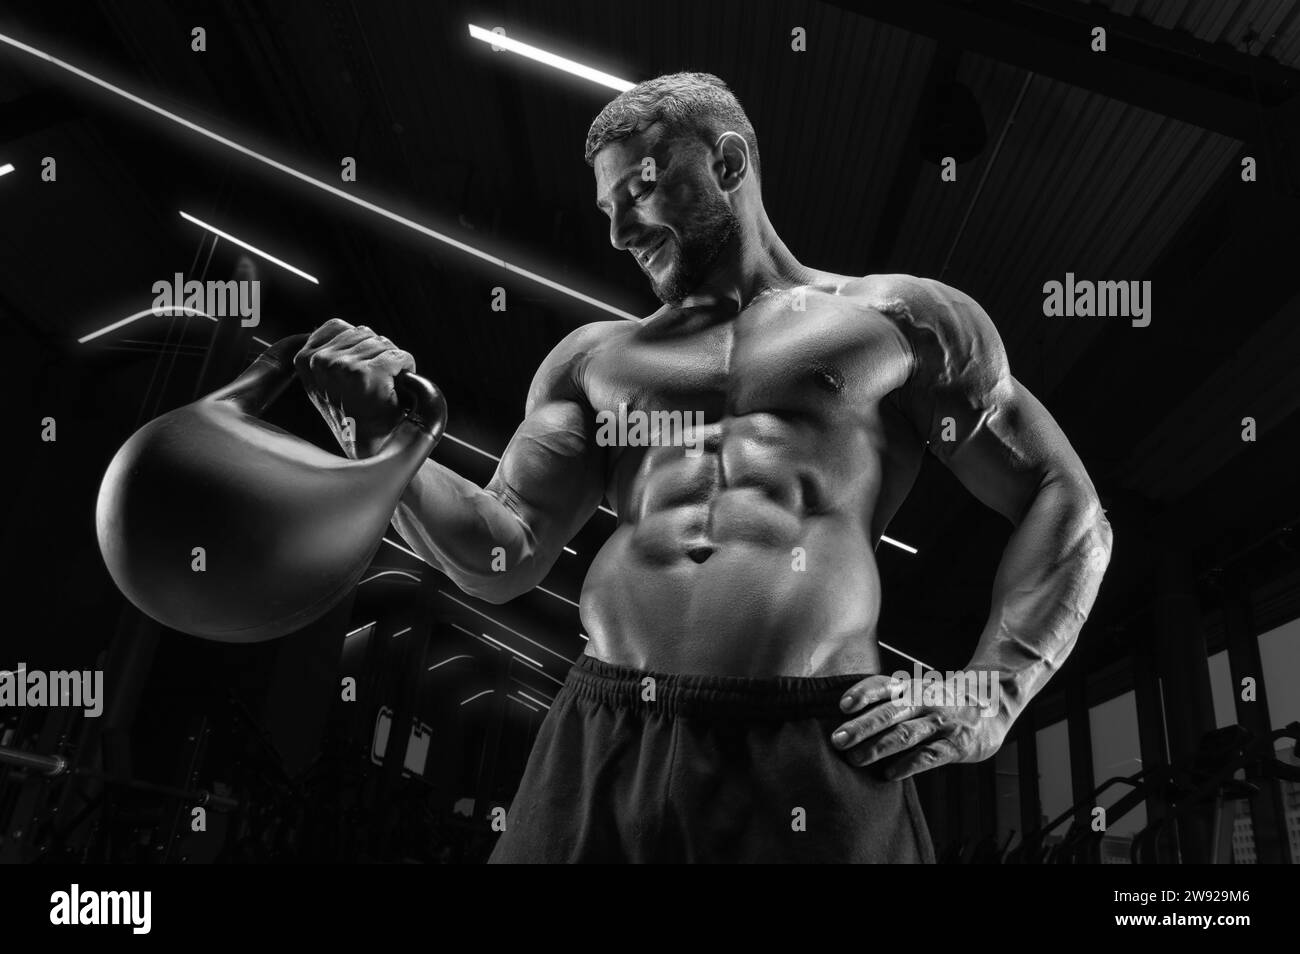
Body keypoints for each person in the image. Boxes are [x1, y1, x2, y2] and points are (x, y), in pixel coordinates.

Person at [293, 72, 1113, 863]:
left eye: (639, 191)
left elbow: (1063, 497)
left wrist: (992, 691)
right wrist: (386, 442)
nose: (619, 231)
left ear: (727, 163)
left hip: (814, 737)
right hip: (603, 730)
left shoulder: (898, 319)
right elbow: (504, 555)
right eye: (607, 210)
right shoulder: (594, 358)